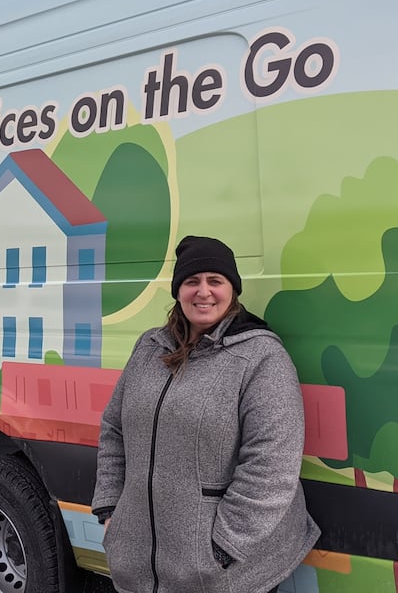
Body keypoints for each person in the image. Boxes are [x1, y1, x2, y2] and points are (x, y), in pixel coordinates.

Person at [91, 235, 320, 593]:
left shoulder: (261, 358)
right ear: (177, 291)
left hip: (226, 573)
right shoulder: (149, 348)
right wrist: (110, 511)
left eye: (216, 281)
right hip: (143, 568)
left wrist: (223, 548)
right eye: (191, 281)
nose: (203, 292)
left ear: (233, 289)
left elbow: (271, 464)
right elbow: (114, 428)